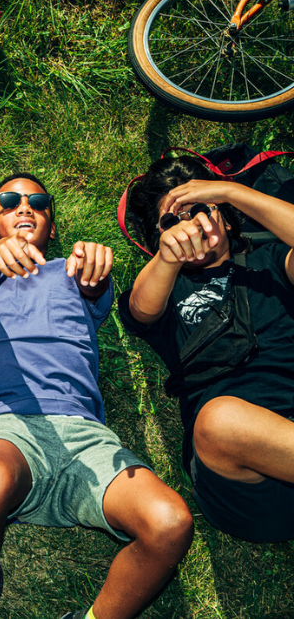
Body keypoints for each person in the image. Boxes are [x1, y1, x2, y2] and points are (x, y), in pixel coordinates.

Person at [0, 173, 193, 619]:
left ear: (52, 228)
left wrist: (94, 266)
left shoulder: (70, 272)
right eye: (9, 201)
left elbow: (93, 290)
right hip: (8, 428)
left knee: (170, 525)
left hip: (86, 441)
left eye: (38, 201)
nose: (24, 207)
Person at [120, 156, 294, 543]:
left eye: (199, 210)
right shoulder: (167, 288)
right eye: (172, 221)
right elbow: (139, 311)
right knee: (220, 422)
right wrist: (167, 257)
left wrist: (231, 191)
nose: (189, 226)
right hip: (248, 487)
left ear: (228, 220)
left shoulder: (272, 261)